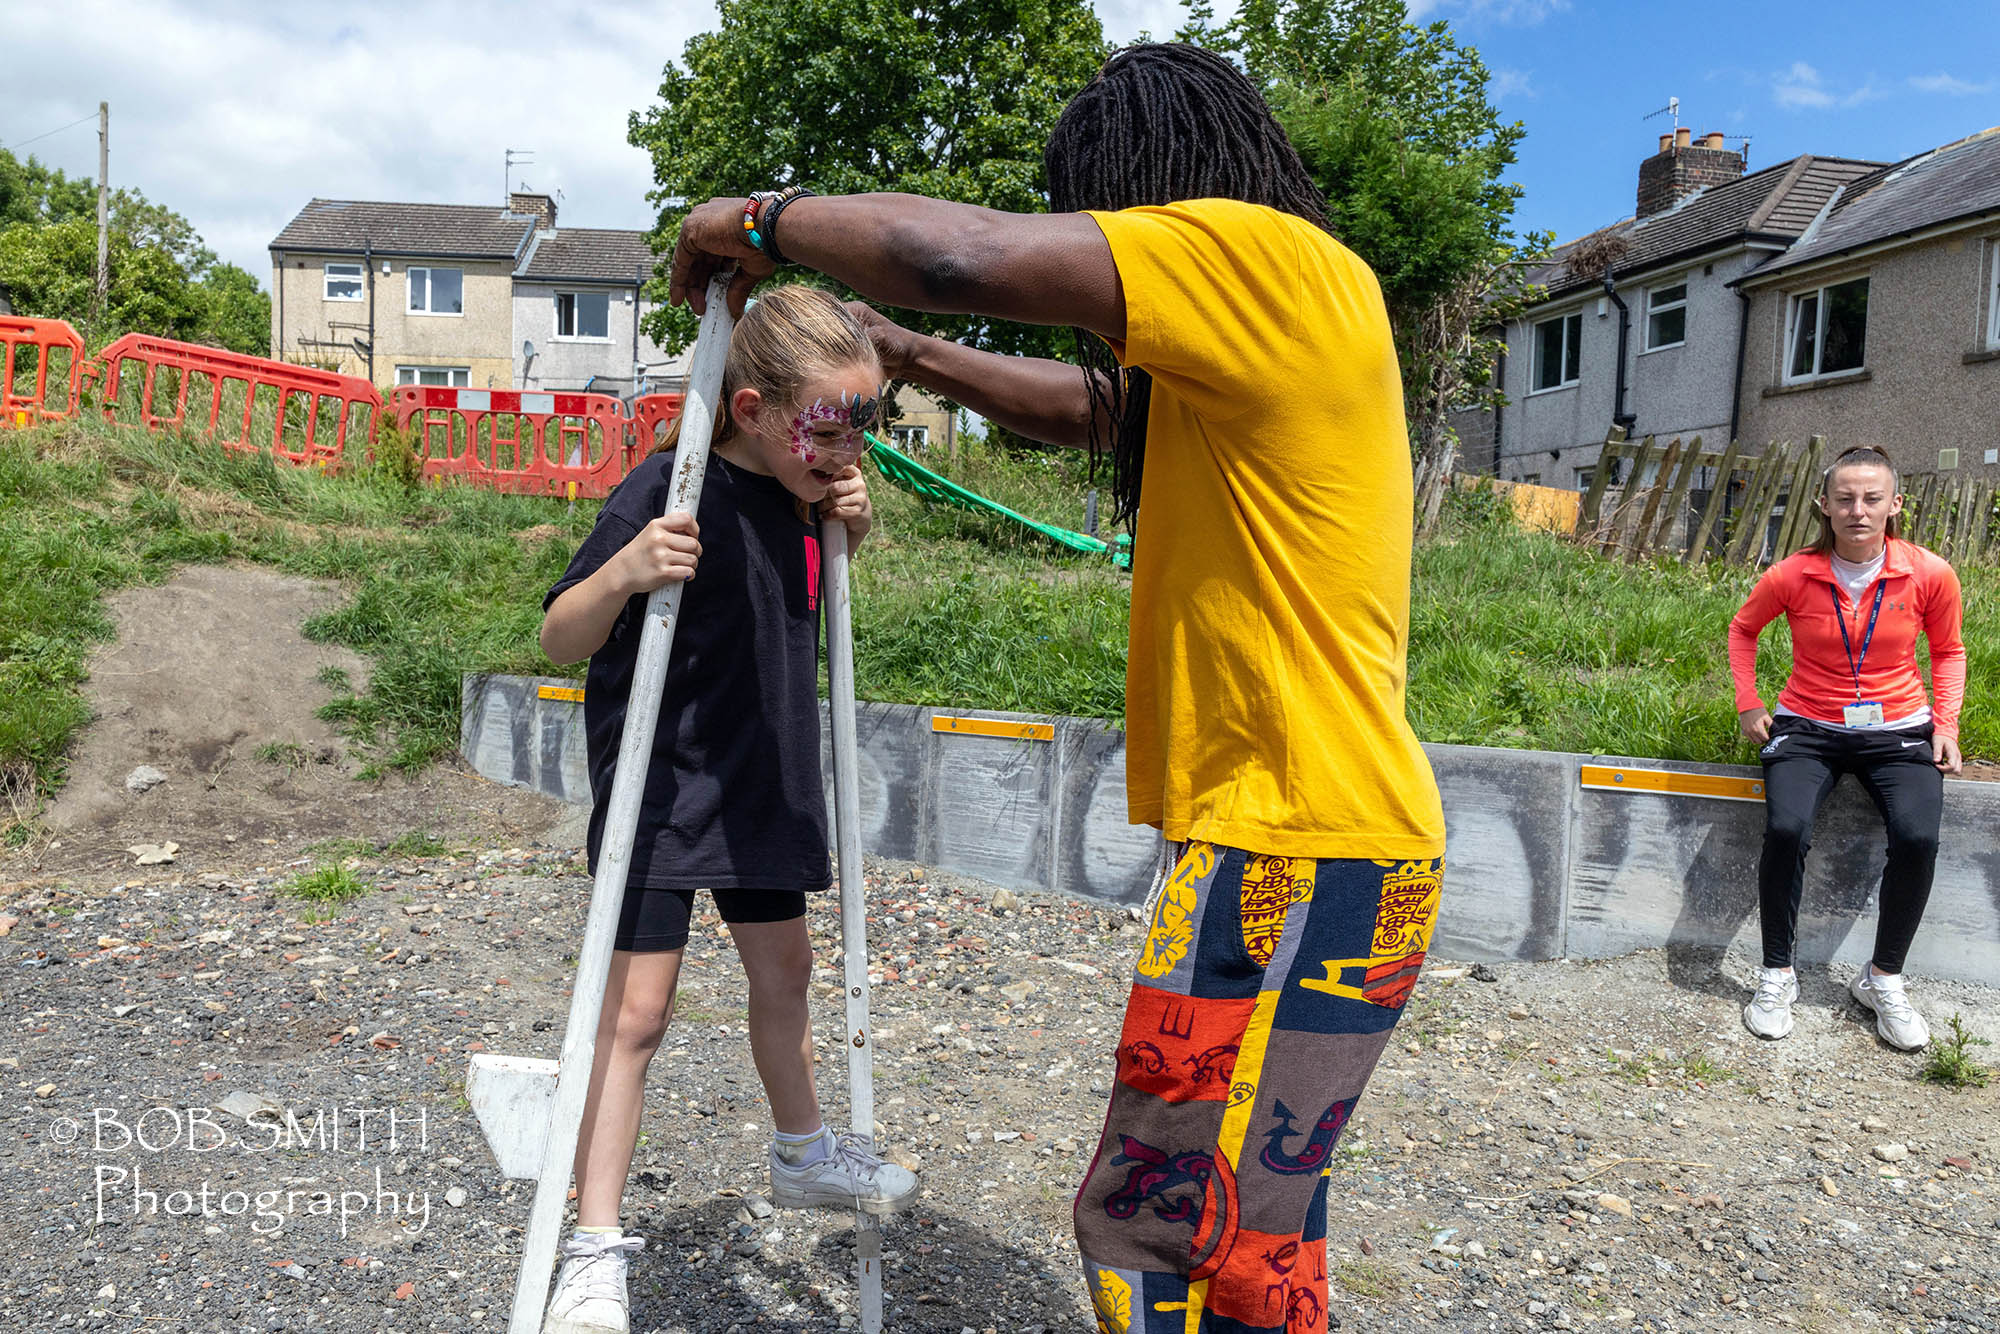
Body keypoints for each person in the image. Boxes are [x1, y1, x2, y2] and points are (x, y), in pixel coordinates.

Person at [670, 43, 1446, 1334]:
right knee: (1261, 1233)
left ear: (1146, 183)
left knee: (1151, 1220)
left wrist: (751, 219)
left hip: (1289, 845)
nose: (1102, 286)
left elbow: (962, 254)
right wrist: (912, 354)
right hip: (1340, 846)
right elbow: (1099, 413)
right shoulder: (1287, 325)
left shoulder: (1259, 253)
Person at [536, 285, 917, 1334]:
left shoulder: (810, 501)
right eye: (830, 425)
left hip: (760, 783)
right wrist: (625, 566)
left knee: (784, 973)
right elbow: (561, 635)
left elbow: (796, 606)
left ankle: (801, 1148)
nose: (848, 447)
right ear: (750, 407)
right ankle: (592, 1244)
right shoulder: (672, 486)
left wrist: (852, 533)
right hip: (662, 789)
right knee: (636, 1015)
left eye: (864, 424)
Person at [1730, 445, 1965, 1051]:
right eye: (1844, 498)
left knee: (1918, 838)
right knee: (1786, 828)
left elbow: (1948, 651)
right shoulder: (1791, 574)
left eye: (1871, 498)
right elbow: (1743, 629)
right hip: (1809, 727)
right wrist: (1749, 703)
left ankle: (1881, 978)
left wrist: (1946, 725)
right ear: (1824, 506)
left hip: (1898, 730)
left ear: (1894, 505)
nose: (1858, 510)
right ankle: (1778, 973)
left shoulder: (1929, 573)